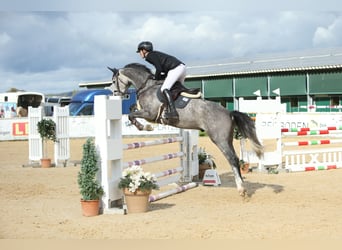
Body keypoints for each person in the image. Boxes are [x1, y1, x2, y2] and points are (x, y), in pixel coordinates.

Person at [136, 41, 186, 122]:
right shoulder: (156, 54)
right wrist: (159, 76)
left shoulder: (150, 55)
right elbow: (162, 69)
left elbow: (158, 69)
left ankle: (173, 112)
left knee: (164, 89)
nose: (139, 53)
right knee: (176, 90)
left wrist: (156, 78)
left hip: (175, 69)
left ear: (144, 50)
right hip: (181, 68)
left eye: (140, 51)